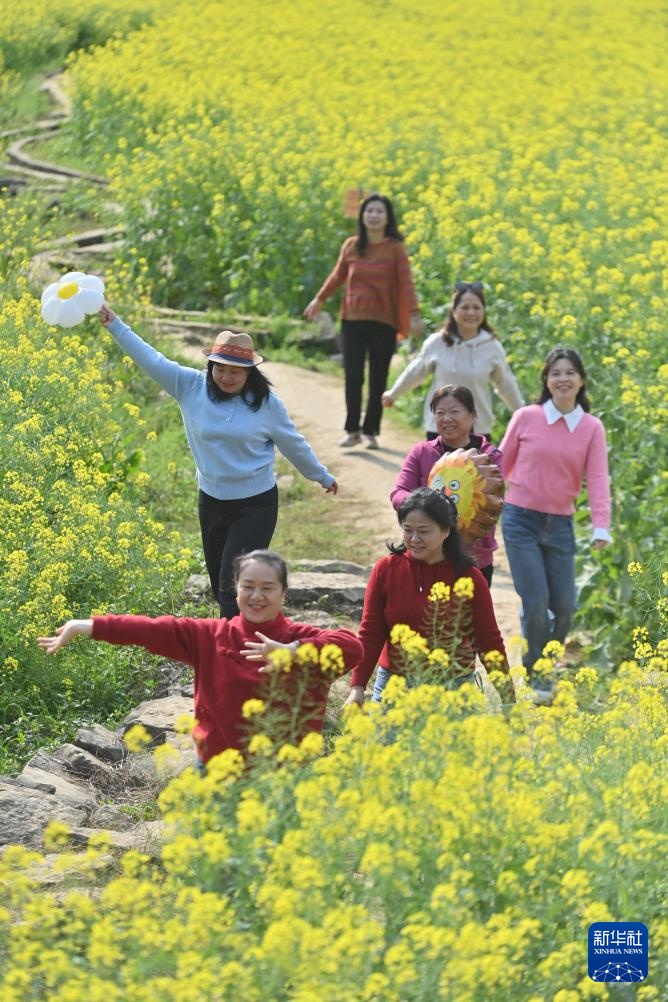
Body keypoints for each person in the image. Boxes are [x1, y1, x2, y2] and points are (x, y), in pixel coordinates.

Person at [98, 305, 338, 619]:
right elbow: (151, 359)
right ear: (210, 365)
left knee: (230, 587)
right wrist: (115, 325)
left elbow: (294, 445)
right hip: (211, 500)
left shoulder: (266, 405)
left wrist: (320, 475)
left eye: (235, 371)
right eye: (220, 368)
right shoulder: (189, 386)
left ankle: (231, 653)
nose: (226, 376)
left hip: (256, 504)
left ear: (249, 373)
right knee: (218, 585)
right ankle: (247, 636)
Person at [38, 550, 363, 765]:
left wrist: (294, 653)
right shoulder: (210, 636)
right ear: (234, 591)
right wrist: (87, 626)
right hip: (218, 773)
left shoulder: (301, 639)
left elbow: (352, 648)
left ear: (284, 593)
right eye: (247, 586)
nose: (256, 596)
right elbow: (151, 629)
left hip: (285, 779)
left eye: (268, 587)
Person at [499, 347, 612, 700]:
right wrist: (479, 513)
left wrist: (600, 525)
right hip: (520, 519)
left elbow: (597, 478)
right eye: (556, 373)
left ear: (581, 381)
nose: (563, 379)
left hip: (560, 525)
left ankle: (541, 652)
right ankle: (539, 674)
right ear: (547, 381)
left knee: (564, 606)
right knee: (536, 602)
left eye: (570, 373)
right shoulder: (525, 417)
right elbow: (500, 466)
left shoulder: (592, 427)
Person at [345, 489, 510, 707]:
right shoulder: (385, 570)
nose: (414, 539)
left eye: (424, 531)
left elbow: (488, 641)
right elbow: (371, 632)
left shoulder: (469, 578)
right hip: (395, 686)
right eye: (408, 530)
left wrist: (508, 700)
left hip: (453, 689)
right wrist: (357, 688)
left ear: (446, 531)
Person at [304, 193, 421, 450]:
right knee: (353, 376)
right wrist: (319, 299)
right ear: (362, 215)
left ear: (387, 217)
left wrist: (414, 314)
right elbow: (337, 276)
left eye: (379, 211)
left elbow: (406, 284)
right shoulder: (352, 246)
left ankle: (371, 431)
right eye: (369, 211)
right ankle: (352, 430)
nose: (374, 215)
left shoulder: (395, 249)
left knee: (378, 378)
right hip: (352, 321)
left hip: (384, 322)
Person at [390, 385, 503, 586]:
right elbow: (398, 493)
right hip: (427, 553)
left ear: (473, 415)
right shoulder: (422, 452)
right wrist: (425, 504)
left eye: (454, 412)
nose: (446, 419)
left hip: (476, 556)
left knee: (469, 615)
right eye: (440, 413)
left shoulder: (489, 458)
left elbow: (494, 503)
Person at [382, 281, 523, 440]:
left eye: (476, 307)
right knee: (439, 466)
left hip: (477, 428)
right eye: (464, 307)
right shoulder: (437, 342)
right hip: (441, 427)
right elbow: (415, 372)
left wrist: (523, 412)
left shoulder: (492, 346)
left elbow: (506, 383)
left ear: (484, 312)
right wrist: (393, 394)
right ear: (454, 311)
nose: (471, 312)